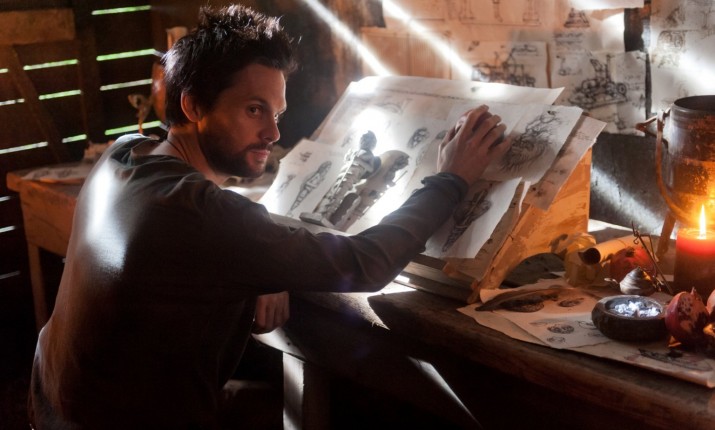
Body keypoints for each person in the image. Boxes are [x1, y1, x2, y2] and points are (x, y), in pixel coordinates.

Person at [28, 4, 510, 429]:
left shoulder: (125, 153)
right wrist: (451, 179)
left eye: (276, 113)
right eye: (254, 110)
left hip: (55, 406)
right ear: (193, 105)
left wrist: (262, 265)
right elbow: (366, 263)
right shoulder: (202, 215)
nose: (272, 133)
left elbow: (210, 236)